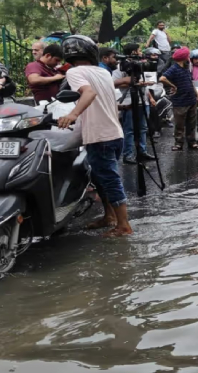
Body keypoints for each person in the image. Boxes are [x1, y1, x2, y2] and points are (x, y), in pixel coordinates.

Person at [58, 35, 131, 236]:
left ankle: (123, 226)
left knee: (109, 179)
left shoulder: (74, 71)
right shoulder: (103, 72)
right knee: (100, 177)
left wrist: (72, 115)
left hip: (100, 137)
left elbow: (89, 93)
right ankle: (110, 216)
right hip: (114, 133)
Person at [113, 43, 158, 164]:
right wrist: (134, 83)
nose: (140, 52)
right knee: (129, 130)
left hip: (142, 100)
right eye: (139, 50)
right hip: (128, 101)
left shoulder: (140, 64)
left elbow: (143, 82)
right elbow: (115, 83)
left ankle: (142, 152)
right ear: (133, 52)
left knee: (143, 128)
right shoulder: (120, 66)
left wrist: (150, 97)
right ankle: (128, 155)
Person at [159, 47, 198, 151]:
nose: (189, 58)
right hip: (180, 101)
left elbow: (190, 82)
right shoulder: (174, 68)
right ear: (184, 57)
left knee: (192, 123)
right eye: (188, 56)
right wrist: (173, 86)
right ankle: (178, 143)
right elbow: (162, 78)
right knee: (180, 124)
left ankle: (192, 142)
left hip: (191, 99)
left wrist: (196, 94)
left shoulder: (186, 68)